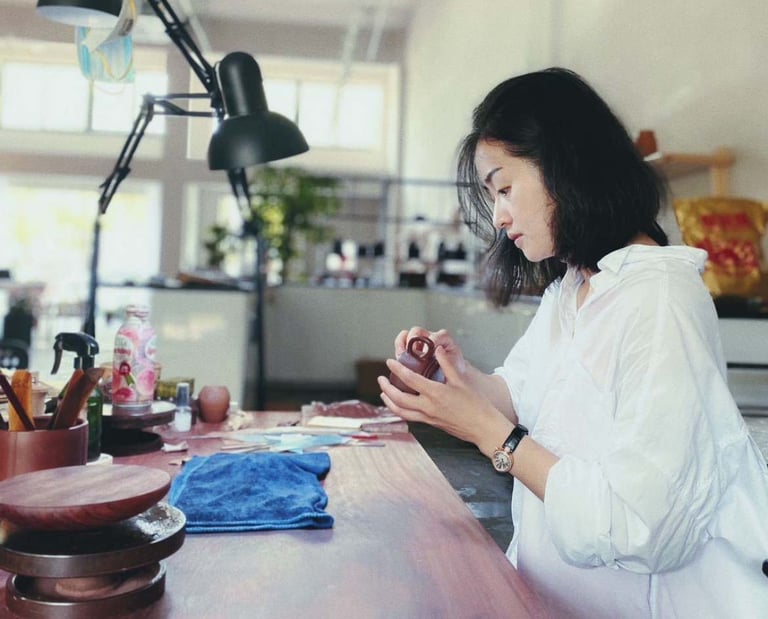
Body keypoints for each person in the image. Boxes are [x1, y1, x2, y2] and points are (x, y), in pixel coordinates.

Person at [378, 68, 768, 618]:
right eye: (493, 197)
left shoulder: (658, 299)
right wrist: (454, 376)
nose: (501, 216)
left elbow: (641, 528)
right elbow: (520, 394)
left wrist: (495, 437)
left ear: (566, 164)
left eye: (506, 188)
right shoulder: (574, 288)